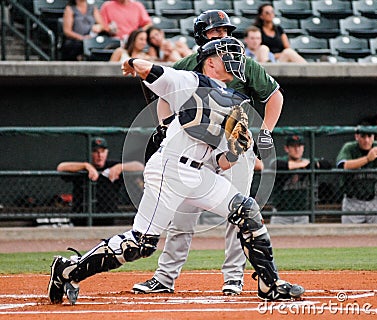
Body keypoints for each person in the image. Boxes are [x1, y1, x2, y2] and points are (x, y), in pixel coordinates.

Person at [48, 37, 305, 306]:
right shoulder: (189, 82)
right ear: (210, 62)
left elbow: (220, 163)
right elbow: (152, 70)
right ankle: (67, 269)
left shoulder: (233, 103)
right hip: (169, 171)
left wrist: (235, 151)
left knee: (247, 209)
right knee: (141, 244)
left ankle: (269, 284)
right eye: (225, 55)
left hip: (199, 174)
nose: (234, 59)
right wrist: (133, 62)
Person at [133, 10, 285, 297]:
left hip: (234, 147)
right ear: (202, 35)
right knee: (181, 214)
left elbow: (274, 95)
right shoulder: (188, 64)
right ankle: (165, 277)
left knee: (239, 212)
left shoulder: (243, 63)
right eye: (216, 32)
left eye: (226, 31)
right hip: (195, 150)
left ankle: (234, 278)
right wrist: (165, 127)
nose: (222, 36)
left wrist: (265, 132)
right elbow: (163, 98)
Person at [57, 137, 144, 226]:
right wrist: (86, 166)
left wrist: (120, 167)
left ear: (106, 152)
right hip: (81, 220)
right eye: (95, 151)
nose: (99, 155)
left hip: (107, 219)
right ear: (90, 153)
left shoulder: (112, 165)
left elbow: (139, 166)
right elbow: (61, 167)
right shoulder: (82, 167)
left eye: (102, 151)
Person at [336, 121, 377, 224]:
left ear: (373, 136)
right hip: (353, 201)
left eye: (369, 136)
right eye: (363, 136)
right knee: (348, 236)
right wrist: (367, 159)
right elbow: (342, 165)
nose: (366, 140)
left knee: (376, 236)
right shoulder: (349, 147)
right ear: (357, 137)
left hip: (375, 200)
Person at [270, 134, 331, 224]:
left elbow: (327, 164)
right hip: (281, 214)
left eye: (299, 146)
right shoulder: (282, 161)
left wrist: (312, 164)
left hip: (303, 214)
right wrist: (301, 165)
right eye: (293, 146)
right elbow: (273, 164)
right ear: (287, 148)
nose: (297, 149)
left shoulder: (308, 161)